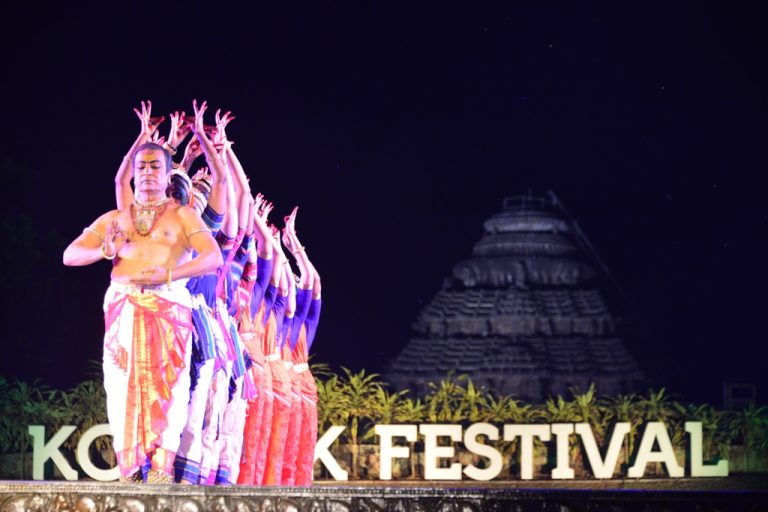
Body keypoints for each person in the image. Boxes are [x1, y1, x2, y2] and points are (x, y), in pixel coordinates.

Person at [63, 107, 223, 482]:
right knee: (120, 386)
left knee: (169, 386)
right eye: (141, 167)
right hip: (123, 305)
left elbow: (213, 257)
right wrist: (104, 251)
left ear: (168, 175)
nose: (147, 173)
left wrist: (169, 273)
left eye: (155, 167)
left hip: (169, 305)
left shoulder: (184, 216)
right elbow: (70, 255)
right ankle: (130, 468)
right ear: (133, 175)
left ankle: (162, 468)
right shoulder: (116, 218)